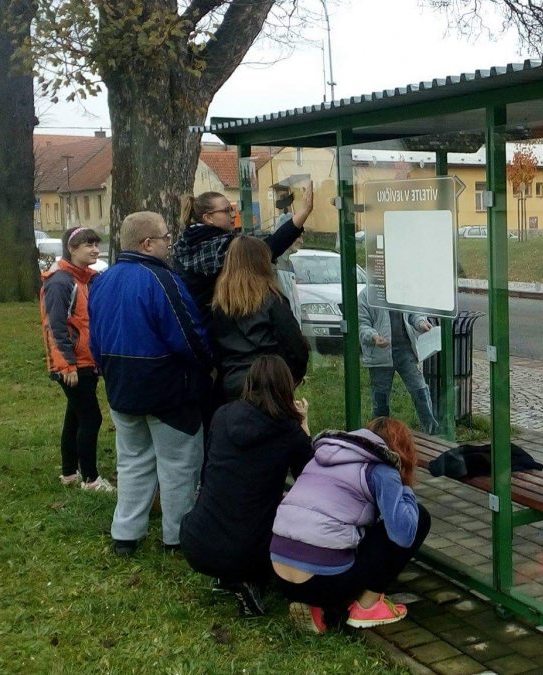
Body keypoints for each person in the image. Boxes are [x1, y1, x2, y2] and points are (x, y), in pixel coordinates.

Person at [89, 211, 212, 556]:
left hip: (120, 385)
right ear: (147, 244)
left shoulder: (102, 281)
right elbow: (189, 336)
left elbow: (94, 336)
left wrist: (107, 370)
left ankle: (125, 535)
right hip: (167, 389)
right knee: (179, 465)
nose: (169, 244)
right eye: (165, 238)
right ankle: (177, 537)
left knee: (132, 461)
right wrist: (208, 364)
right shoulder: (162, 280)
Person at [270, 417, 431, 634]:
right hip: (325, 583)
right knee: (419, 517)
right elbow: (402, 534)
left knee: (331, 533)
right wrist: (405, 488)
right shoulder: (382, 470)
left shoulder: (320, 457)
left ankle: (314, 606)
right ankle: (367, 607)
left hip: (282, 577)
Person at [180, 355, 312, 616]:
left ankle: (226, 575)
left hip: (195, 540)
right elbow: (309, 478)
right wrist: (304, 427)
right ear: (287, 387)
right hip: (246, 551)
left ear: (249, 382)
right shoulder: (289, 431)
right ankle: (246, 578)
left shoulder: (222, 415)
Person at [39, 227, 113, 492]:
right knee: (91, 418)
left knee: (75, 417)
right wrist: (66, 364)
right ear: (71, 249)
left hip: (86, 361)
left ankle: (70, 473)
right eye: (88, 245)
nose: (95, 250)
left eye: (96, 244)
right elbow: (54, 326)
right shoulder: (61, 282)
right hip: (73, 364)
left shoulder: (86, 279)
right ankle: (91, 479)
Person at [173, 185, 312, 323]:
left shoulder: (184, 244)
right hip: (215, 328)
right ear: (208, 218)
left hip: (192, 325)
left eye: (232, 209)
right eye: (226, 211)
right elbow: (266, 248)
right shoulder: (220, 247)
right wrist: (304, 213)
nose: (233, 214)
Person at [209, 236, 309, 401]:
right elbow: (295, 346)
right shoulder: (272, 300)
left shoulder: (220, 304)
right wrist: (291, 378)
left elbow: (216, 350)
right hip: (268, 383)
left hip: (231, 385)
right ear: (262, 263)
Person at [357, 287, 439, 434]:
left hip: (405, 350)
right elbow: (362, 324)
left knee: (420, 388)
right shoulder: (366, 295)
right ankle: (380, 434)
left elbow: (414, 313)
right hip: (380, 354)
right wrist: (374, 337)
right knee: (380, 397)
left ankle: (432, 430)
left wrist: (421, 323)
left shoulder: (402, 289)